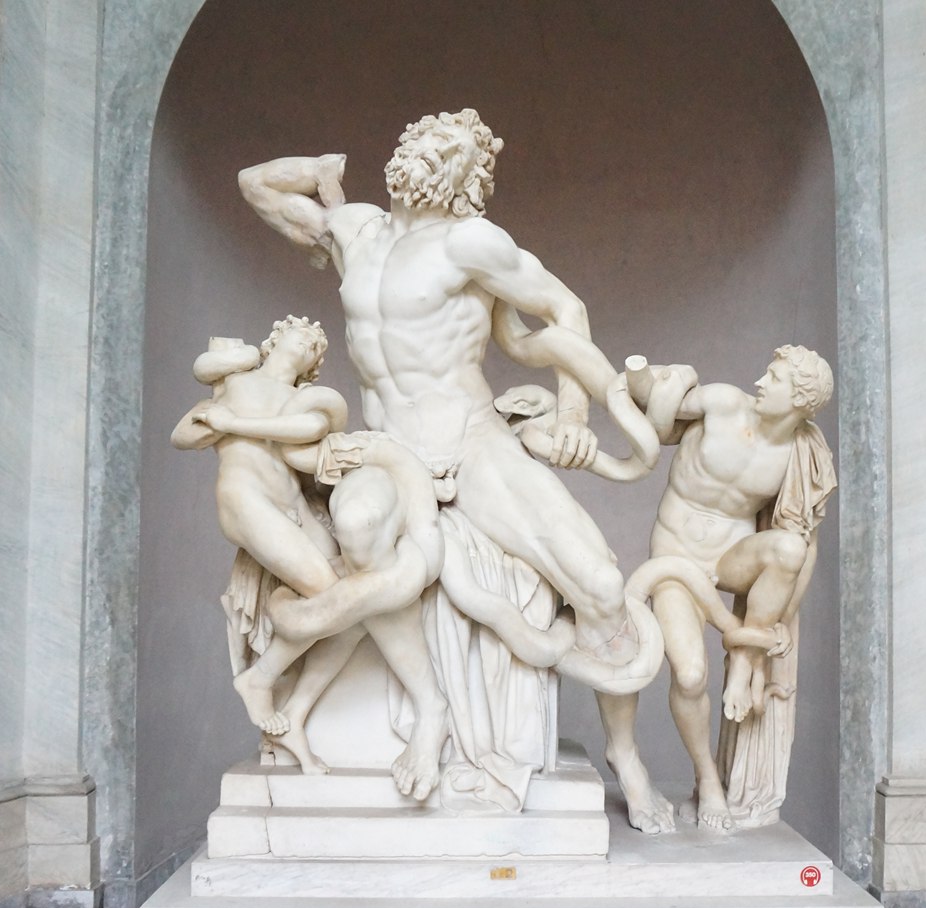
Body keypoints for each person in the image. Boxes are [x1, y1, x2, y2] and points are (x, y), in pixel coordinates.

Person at [238, 111, 668, 823]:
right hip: (387, 447)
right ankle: (428, 708)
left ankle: (626, 752)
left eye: (451, 150)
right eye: (424, 139)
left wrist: (571, 415)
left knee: (597, 580)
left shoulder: (470, 241)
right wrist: (317, 171)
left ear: (468, 179)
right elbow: (256, 186)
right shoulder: (355, 231)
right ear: (402, 146)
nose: (429, 152)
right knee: (359, 528)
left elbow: (565, 308)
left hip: (470, 440)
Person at [172, 317, 449, 800]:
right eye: (299, 335)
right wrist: (215, 414)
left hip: (294, 509)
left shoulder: (308, 402)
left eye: (315, 346)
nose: (308, 343)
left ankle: (294, 712)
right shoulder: (236, 382)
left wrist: (234, 424)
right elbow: (183, 435)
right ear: (273, 339)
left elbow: (309, 435)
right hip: (246, 497)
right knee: (338, 598)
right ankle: (259, 679)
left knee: (354, 605)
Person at [636, 345, 836, 831]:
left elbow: (805, 544)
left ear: (801, 400)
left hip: (729, 560)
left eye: (775, 378)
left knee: (788, 548)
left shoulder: (799, 454)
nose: (761, 382)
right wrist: (659, 374)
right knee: (690, 676)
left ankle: (745, 659)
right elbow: (648, 403)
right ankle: (707, 778)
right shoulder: (723, 402)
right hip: (675, 557)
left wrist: (776, 625)